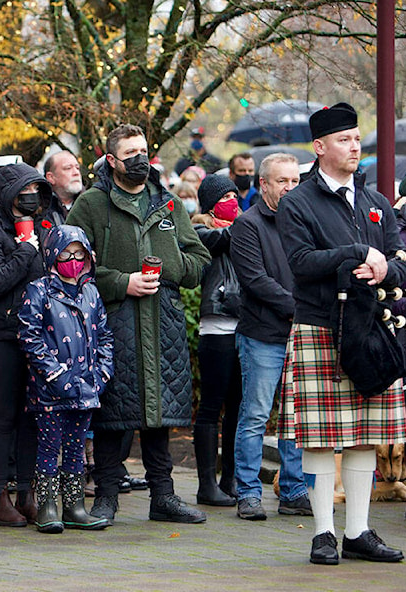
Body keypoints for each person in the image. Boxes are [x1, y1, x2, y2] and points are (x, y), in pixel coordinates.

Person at [277, 102, 406, 565]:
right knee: (318, 437)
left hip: (369, 329)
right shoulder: (297, 202)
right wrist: (353, 253)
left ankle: (358, 531)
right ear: (320, 147)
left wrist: (384, 268)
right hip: (318, 326)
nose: (355, 146)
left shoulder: (376, 203)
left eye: (356, 138)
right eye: (344, 140)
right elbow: (299, 264)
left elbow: (401, 262)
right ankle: (323, 534)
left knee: (364, 435)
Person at [67, 123, 210, 526]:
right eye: (130, 153)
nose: (140, 160)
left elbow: (198, 258)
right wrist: (120, 282)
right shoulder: (91, 205)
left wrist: (173, 268)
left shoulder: (167, 204)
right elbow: (70, 267)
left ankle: (163, 497)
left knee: (160, 414)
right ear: (111, 160)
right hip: (113, 323)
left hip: (162, 321)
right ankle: (106, 497)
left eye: (144, 151)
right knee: (114, 413)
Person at [230, 153, 310, 521]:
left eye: (295, 180)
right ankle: (247, 493)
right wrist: (300, 306)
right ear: (264, 184)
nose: (290, 188)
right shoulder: (247, 224)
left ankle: (294, 491)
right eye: (282, 181)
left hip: (301, 334)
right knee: (255, 416)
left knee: (295, 419)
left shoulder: (306, 222)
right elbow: (254, 279)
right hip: (263, 334)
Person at [18, 225, 113, 533]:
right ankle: (47, 506)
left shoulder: (91, 291)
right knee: (49, 445)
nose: (72, 260)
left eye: (79, 253)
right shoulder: (39, 290)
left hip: (86, 387)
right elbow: (29, 336)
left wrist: (102, 374)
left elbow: (105, 336)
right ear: (52, 255)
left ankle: (74, 506)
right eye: (66, 253)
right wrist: (55, 374)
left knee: (76, 447)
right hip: (50, 390)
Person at [0, 161, 52, 527]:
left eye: (36, 191)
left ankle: (26, 492)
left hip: (34, 336)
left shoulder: (44, 229)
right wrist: (25, 250)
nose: (32, 198)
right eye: (24, 192)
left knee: (31, 418)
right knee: (2, 417)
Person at [190, 175, 243, 506]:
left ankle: (231, 478)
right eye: (225, 196)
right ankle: (206, 483)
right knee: (211, 407)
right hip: (217, 330)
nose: (233, 201)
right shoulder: (199, 230)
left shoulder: (242, 228)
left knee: (237, 408)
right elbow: (222, 240)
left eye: (235, 195)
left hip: (245, 328)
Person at [44, 151, 84, 224]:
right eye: (68, 168)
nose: (76, 173)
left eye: (77, 168)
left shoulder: (90, 203)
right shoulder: (40, 208)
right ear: (51, 177)